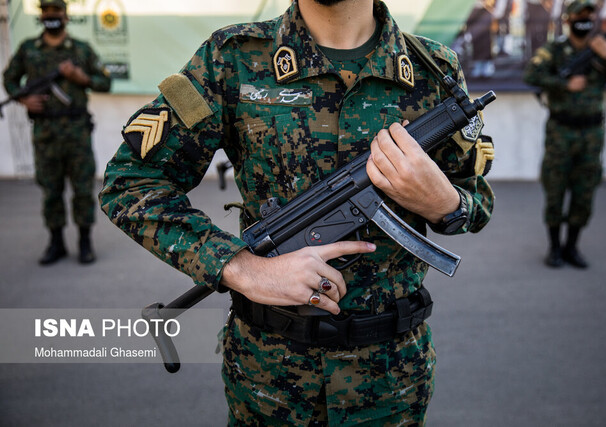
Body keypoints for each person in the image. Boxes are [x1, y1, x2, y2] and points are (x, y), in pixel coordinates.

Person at [100, 0, 494, 424]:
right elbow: (130, 182)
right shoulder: (231, 58)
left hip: (392, 378)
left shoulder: (434, 68)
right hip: (269, 378)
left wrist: (445, 204)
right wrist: (240, 267)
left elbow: (476, 202)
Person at [2, 0, 111, 265]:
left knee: (83, 190)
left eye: (56, 12)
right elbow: (9, 79)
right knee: (50, 191)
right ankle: (56, 243)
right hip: (45, 134)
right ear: (41, 16)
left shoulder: (80, 50)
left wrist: (79, 77)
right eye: (46, 12)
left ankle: (85, 242)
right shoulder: (29, 49)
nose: (51, 16)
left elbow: (105, 82)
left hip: (77, 133)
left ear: (65, 16)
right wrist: (23, 99)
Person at [523, 0, 606, 268]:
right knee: (555, 190)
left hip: (592, 133)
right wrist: (564, 84)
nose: (585, 20)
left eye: (589, 16)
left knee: (584, 192)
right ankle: (555, 248)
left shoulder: (600, 49)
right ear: (568, 20)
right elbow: (531, 74)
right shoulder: (555, 50)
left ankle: (572, 247)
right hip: (561, 131)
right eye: (579, 15)